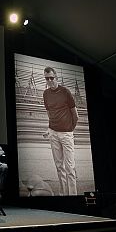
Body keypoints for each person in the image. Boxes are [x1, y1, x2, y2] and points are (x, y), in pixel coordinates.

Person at [42, 66, 79, 195]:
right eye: (47, 78)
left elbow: (75, 114)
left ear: (56, 77)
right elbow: (49, 113)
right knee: (59, 167)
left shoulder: (65, 92)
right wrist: (49, 129)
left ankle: (73, 196)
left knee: (70, 167)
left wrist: (70, 129)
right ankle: (63, 195)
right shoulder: (45, 94)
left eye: (52, 78)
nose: (50, 80)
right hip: (53, 133)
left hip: (66, 134)